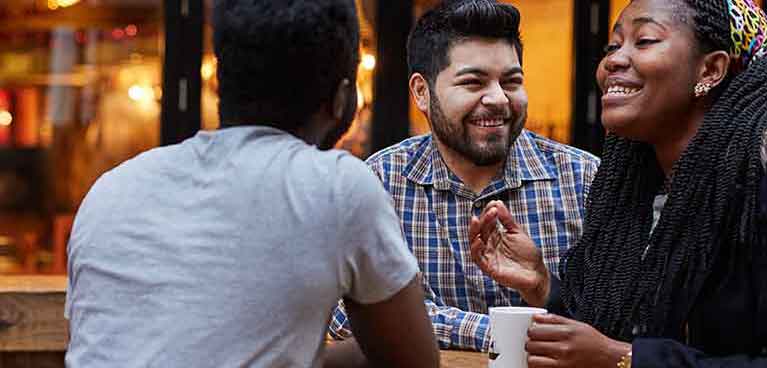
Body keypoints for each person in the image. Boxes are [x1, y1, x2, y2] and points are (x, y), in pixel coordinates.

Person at [64, 1, 440, 367]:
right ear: (343, 99)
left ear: (217, 86)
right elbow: (415, 361)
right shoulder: (337, 187)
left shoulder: (113, 188)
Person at [470, 0, 767, 366]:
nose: (613, 60)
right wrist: (542, 284)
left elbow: (617, 350)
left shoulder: (755, 186)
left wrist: (623, 359)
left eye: (644, 41)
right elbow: (615, 326)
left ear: (711, 68)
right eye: (613, 46)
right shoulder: (636, 192)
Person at [329, 0, 600, 352]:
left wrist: (543, 288)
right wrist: (495, 332)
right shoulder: (381, 182)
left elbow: (622, 322)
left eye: (512, 81)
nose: (499, 98)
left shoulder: (584, 180)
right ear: (422, 93)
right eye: (473, 82)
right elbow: (342, 310)